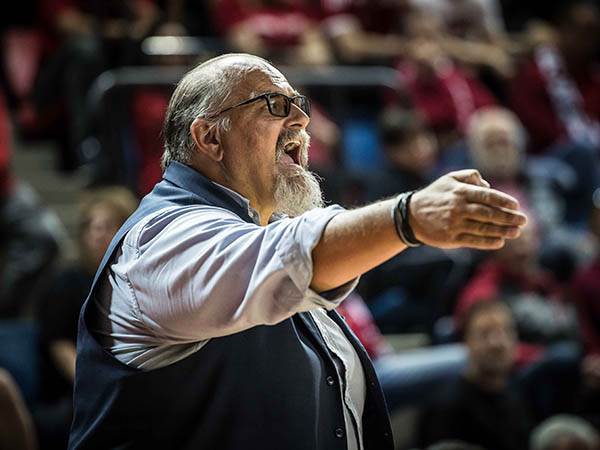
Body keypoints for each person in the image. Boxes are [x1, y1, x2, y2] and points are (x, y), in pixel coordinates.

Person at [69, 53, 527, 450]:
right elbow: (284, 255)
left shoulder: (261, 229)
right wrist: (407, 218)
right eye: (274, 105)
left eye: (300, 106)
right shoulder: (162, 241)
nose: (303, 122)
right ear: (210, 138)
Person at [34, 187, 137, 449]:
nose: (97, 235)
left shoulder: (131, 281)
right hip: (75, 389)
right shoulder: (68, 281)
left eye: (107, 226)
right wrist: (91, 380)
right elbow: (58, 343)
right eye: (93, 227)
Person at [419, 301, 532, 450]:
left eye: (506, 331)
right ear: (467, 341)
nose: (497, 343)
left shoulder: (519, 393)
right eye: (485, 334)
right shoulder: (447, 408)